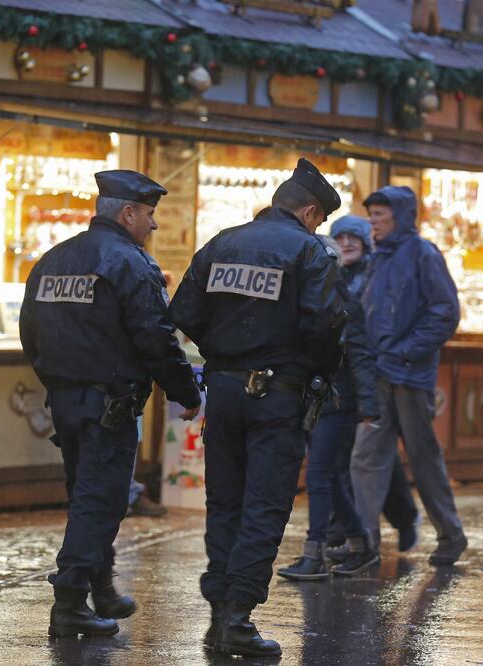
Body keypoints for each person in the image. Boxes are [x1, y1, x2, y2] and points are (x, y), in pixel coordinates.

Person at [169, 158, 347, 658]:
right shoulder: (309, 251)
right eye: (320, 218)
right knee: (264, 507)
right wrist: (315, 370)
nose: (318, 227)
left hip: (222, 391)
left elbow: (182, 314)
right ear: (310, 211)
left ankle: (218, 615)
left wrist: (224, 356)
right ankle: (237, 618)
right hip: (277, 396)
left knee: (224, 503)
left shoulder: (223, 242)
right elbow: (327, 326)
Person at [19, 169, 202, 638]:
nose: (153, 225)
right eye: (149, 214)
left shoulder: (53, 259)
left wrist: (59, 383)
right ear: (127, 213)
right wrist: (186, 391)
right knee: (99, 501)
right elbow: (156, 338)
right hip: (109, 405)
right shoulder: (130, 263)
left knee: (88, 494)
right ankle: (70, 602)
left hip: (66, 400)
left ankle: (101, 589)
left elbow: (30, 333)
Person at [351, 186, 468, 567]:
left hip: (409, 376)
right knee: (367, 455)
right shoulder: (377, 259)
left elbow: (445, 312)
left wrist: (404, 352)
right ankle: (364, 540)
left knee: (422, 457)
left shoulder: (423, 254)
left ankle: (450, 534)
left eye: (380, 217)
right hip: (378, 374)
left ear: (399, 217)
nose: (373, 223)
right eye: (371, 217)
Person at [277, 232, 380, 582]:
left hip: (339, 402)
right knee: (332, 477)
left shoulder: (347, 303)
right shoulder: (303, 301)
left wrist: (367, 405)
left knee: (320, 474)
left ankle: (315, 552)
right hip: (312, 399)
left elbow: (362, 357)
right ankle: (360, 544)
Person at [323, 217, 420, 572]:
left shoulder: (372, 276)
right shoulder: (331, 274)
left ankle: (401, 519)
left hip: (368, 376)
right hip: (338, 378)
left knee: (368, 457)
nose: (347, 243)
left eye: (354, 237)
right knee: (347, 458)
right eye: (340, 237)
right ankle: (347, 531)